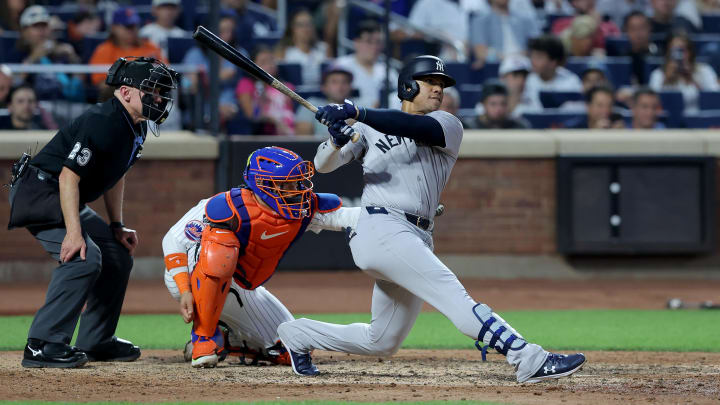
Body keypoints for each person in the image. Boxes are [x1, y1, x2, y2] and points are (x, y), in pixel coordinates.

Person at [276, 55, 586, 382]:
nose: (439, 90)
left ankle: (298, 335)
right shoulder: (367, 129)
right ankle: (528, 358)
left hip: (416, 234)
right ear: (408, 86)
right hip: (381, 230)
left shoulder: (447, 124)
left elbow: (410, 126)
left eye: (442, 85)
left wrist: (356, 112)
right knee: (454, 298)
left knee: (381, 341)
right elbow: (324, 165)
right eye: (431, 83)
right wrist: (337, 138)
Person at [7, 57, 178, 368]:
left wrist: (117, 225)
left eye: (161, 92)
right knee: (84, 256)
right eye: (152, 91)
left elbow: (116, 174)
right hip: (40, 193)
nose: (159, 99)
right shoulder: (104, 120)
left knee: (116, 252)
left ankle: (96, 340)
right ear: (126, 92)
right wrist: (74, 234)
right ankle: (42, 345)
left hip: (59, 192)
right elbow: (68, 176)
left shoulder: (133, 125)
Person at [169, 146, 360, 367]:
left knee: (291, 347)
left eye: (296, 183)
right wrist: (183, 289)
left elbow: (346, 217)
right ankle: (204, 337)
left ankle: (230, 340)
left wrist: (396, 218)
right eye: (286, 184)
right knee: (220, 246)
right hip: (191, 277)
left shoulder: (299, 209)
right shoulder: (228, 206)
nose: (295, 190)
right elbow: (172, 241)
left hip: (240, 284)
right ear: (263, 185)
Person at [5, 5, 85, 102]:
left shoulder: (61, 52)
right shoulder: (17, 54)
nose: (41, 31)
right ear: (25, 31)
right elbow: (13, 84)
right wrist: (33, 57)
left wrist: (73, 57)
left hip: (67, 105)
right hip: (34, 107)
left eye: (44, 26)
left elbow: (80, 84)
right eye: (36, 26)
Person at [182, 10, 243, 128]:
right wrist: (217, 107)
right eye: (222, 31)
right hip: (201, 111)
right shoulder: (194, 54)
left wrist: (205, 78)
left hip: (234, 112)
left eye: (230, 31)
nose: (227, 36)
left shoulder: (239, 54)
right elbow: (189, 86)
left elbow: (244, 86)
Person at [89, 7, 166, 88]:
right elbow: (101, 82)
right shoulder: (104, 50)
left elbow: (165, 75)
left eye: (135, 26)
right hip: (117, 96)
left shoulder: (150, 47)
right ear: (114, 28)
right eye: (128, 27)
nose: (132, 30)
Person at [648, 32, 720, 113]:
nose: (679, 55)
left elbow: (715, 98)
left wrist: (693, 80)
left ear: (690, 52)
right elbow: (651, 103)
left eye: (682, 50)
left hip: (698, 120)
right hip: (669, 121)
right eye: (674, 50)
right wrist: (666, 80)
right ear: (668, 52)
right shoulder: (658, 74)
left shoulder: (704, 70)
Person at [335, 20, 399, 109]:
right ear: (356, 42)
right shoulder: (341, 65)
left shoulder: (388, 71)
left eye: (378, 42)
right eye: (369, 41)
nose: (374, 47)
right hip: (349, 118)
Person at [236, 45, 296, 135]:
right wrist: (273, 120)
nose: (269, 65)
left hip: (290, 131)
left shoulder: (286, 86)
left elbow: (291, 114)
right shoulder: (246, 84)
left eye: (271, 61)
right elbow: (251, 116)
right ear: (253, 65)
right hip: (263, 133)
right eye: (263, 62)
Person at [469, 0, 540, 69]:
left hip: (526, 65)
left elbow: (537, 46)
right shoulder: (480, 21)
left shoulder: (526, 18)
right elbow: (481, 52)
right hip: (497, 66)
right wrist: (509, 58)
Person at [524, 35, 583, 112]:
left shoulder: (571, 81)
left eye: (539, 57)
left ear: (553, 61)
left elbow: (577, 112)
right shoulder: (527, 80)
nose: (533, 61)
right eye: (532, 56)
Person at [276, 8, 329, 87]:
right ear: (292, 28)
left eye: (309, 24)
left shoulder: (324, 48)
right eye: (301, 25)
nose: (306, 29)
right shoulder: (283, 51)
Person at [296, 64, 354, 136]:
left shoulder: (360, 106)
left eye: (344, 82)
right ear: (324, 87)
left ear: (351, 87)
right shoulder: (311, 104)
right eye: (334, 82)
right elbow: (302, 139)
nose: (340, 86)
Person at [622, 11, 661, 85]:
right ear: (626, 31)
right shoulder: (622, 58)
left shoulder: (660, 55)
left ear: (650, 28)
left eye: (642, 28)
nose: (638, 33)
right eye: (633, 29)